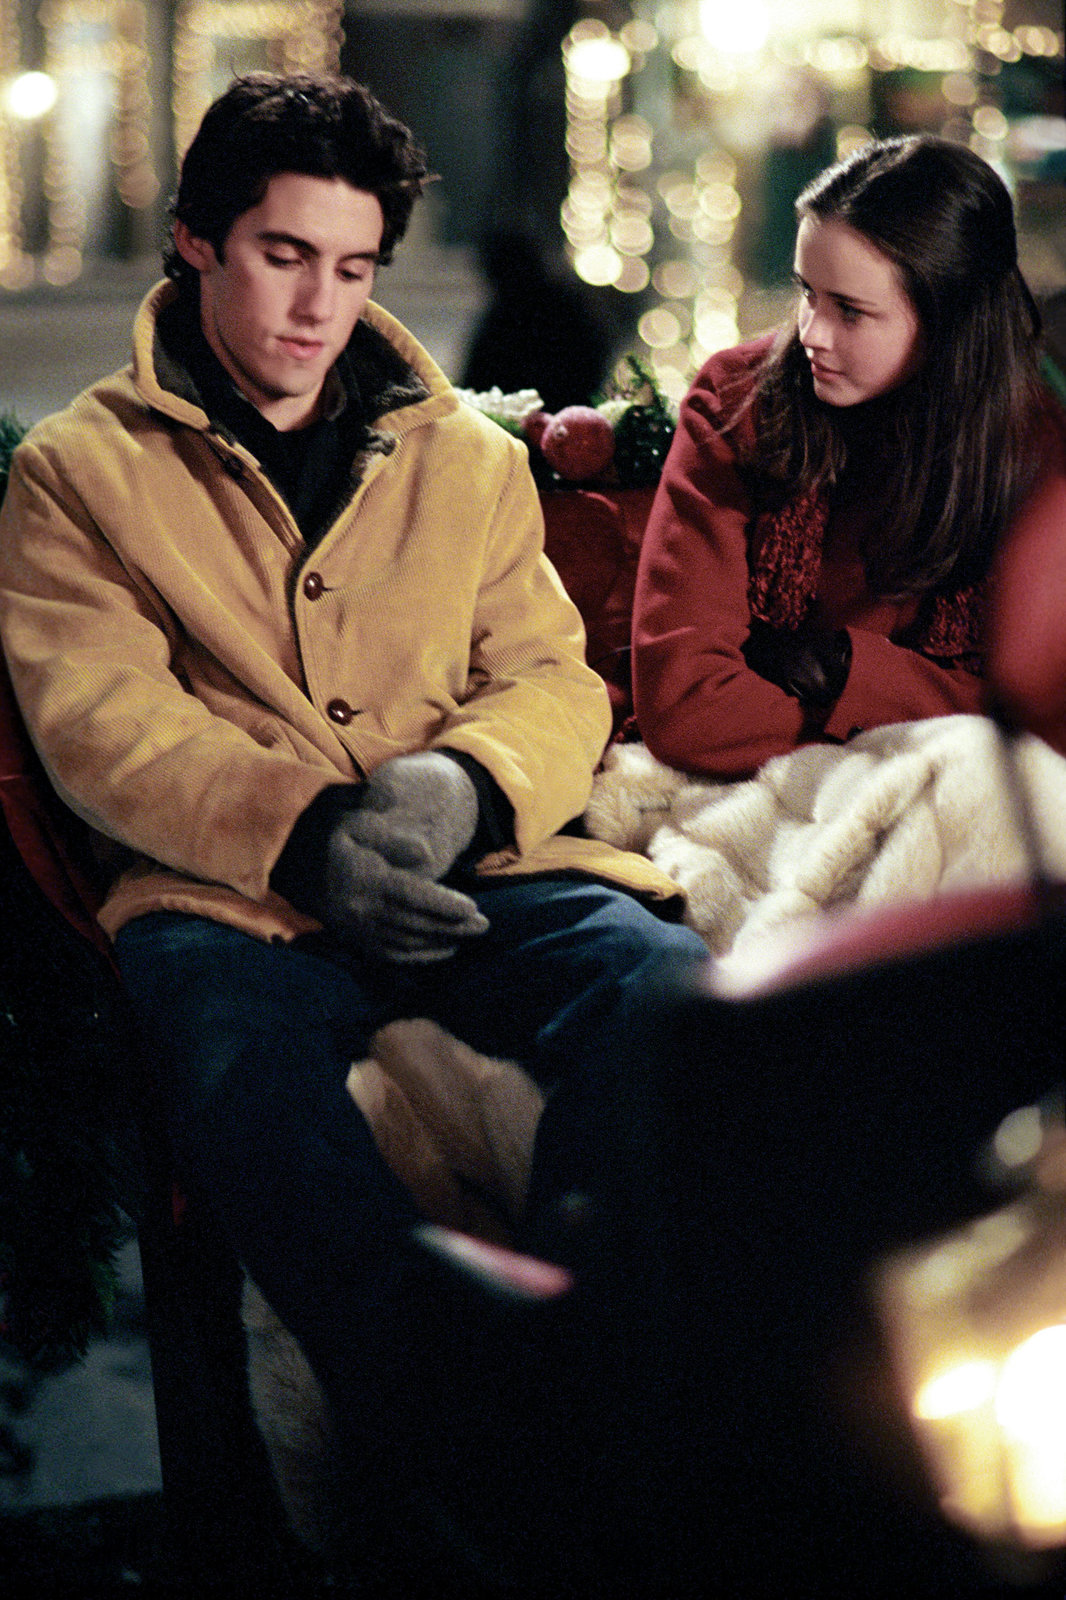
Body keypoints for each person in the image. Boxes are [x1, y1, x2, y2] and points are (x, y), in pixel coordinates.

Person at [0, 71, 708, 1586]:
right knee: (237, 1074)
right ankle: (477, 1465)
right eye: (283, 255)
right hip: (231, 903)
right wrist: (314, 835)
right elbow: (101, 723)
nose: (320, 304)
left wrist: (458, 787)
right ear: (196, 242)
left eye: (353, 266)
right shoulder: (79, 472)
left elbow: (546, 676)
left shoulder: (464, 454)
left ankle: (607, 1381)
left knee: (663, 992)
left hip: (475, 867)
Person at [631, 134, 1066, 779]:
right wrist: (918, 711)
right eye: (807, 292)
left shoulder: (1038, 451)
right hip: (747, 795)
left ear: (950, 321)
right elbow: (687, 709)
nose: (811, 333)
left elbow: (1041, 725)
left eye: (851, 311)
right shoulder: (738, 400)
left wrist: (843, 671)